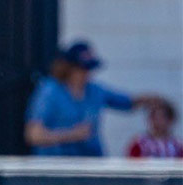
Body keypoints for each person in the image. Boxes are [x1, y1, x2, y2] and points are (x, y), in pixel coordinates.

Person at [25, 41, 160, 156]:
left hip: (90, 166)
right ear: (68, 68)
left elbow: (128, 103)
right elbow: (34, 135)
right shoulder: (50, 92)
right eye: (82, 69)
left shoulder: (95, 91)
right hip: (57, 169)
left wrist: (152, 99)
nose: (87, 74)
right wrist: (72, 134)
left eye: (89, 69)